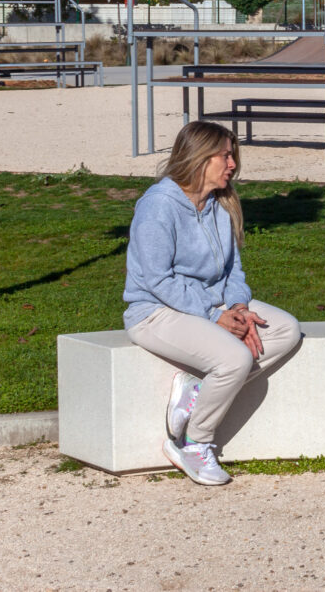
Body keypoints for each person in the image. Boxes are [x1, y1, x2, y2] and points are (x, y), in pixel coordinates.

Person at [123, 120, 303, 486]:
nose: (232, 163)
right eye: (225, 155)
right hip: (154, 311)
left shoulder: (222, 204)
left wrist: (236, 307)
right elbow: (158, 279)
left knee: (286, 329)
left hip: (214, 305)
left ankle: (197, 389)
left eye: (232, 154)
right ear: (199, 158)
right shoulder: (158, 206)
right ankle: (194, 443)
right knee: (233, 359)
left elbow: (233, 268)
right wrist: (214, 315)